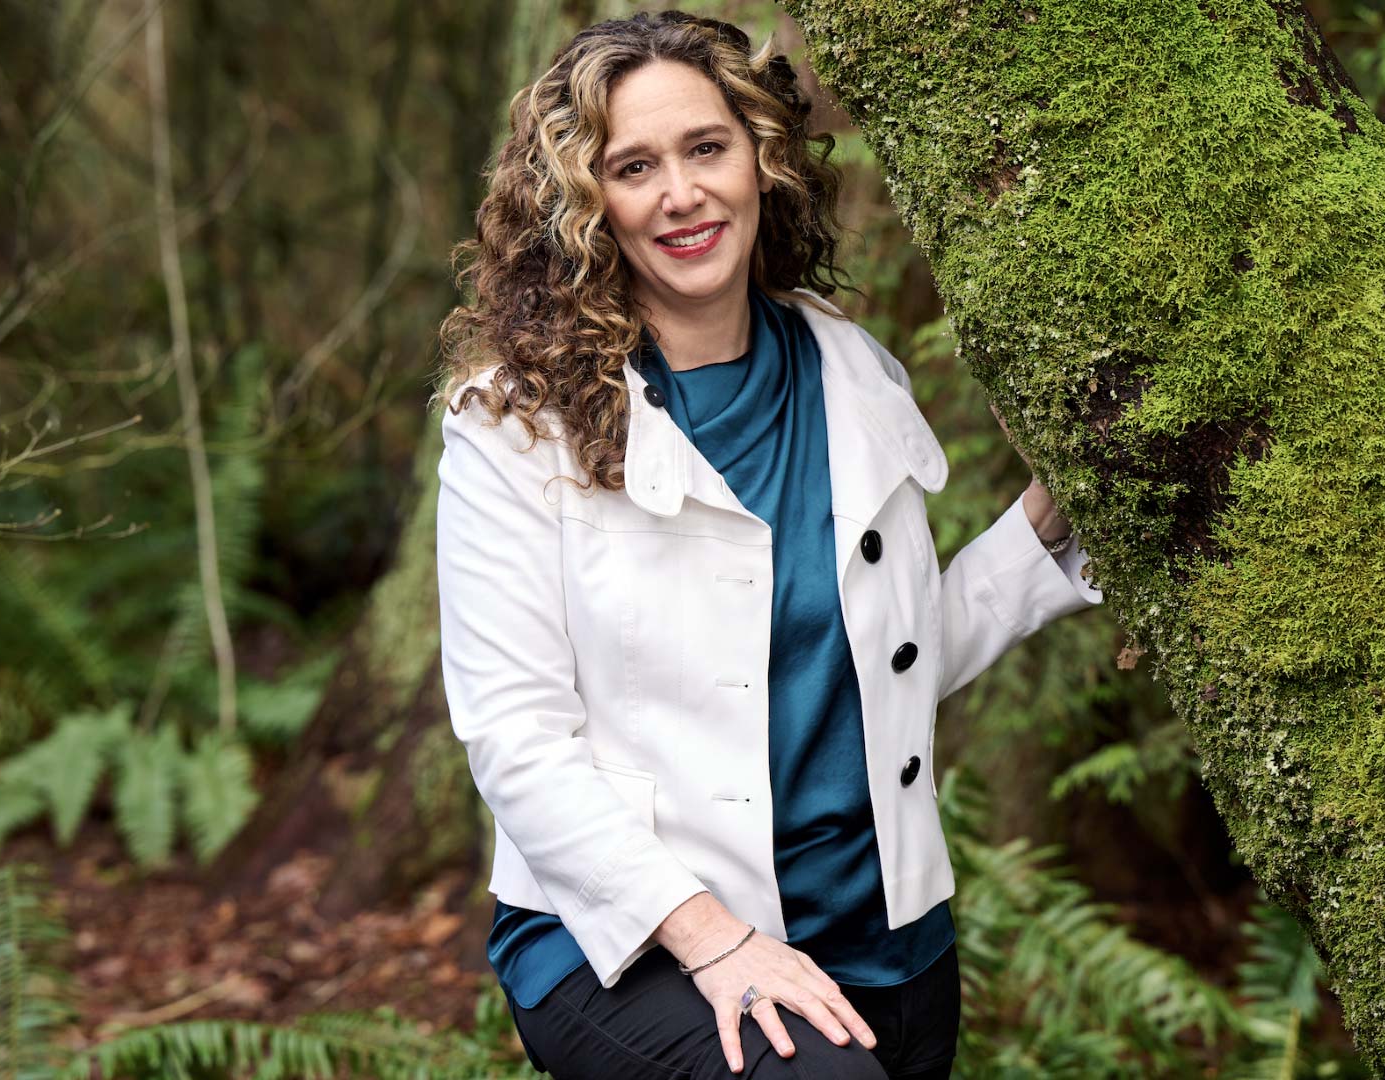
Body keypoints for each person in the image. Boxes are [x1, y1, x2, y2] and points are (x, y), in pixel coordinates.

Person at [430, 10, 1101, 1078]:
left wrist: (1047, 533)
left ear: (760, 156)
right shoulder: (513, 426)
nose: (681, 193)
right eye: (633, 166)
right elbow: (517, 739)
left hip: (884, 932)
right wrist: (716, 940)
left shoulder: (849, 365)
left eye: (706, 147)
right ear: (584, 201)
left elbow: (887, 657)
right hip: (633, 938)